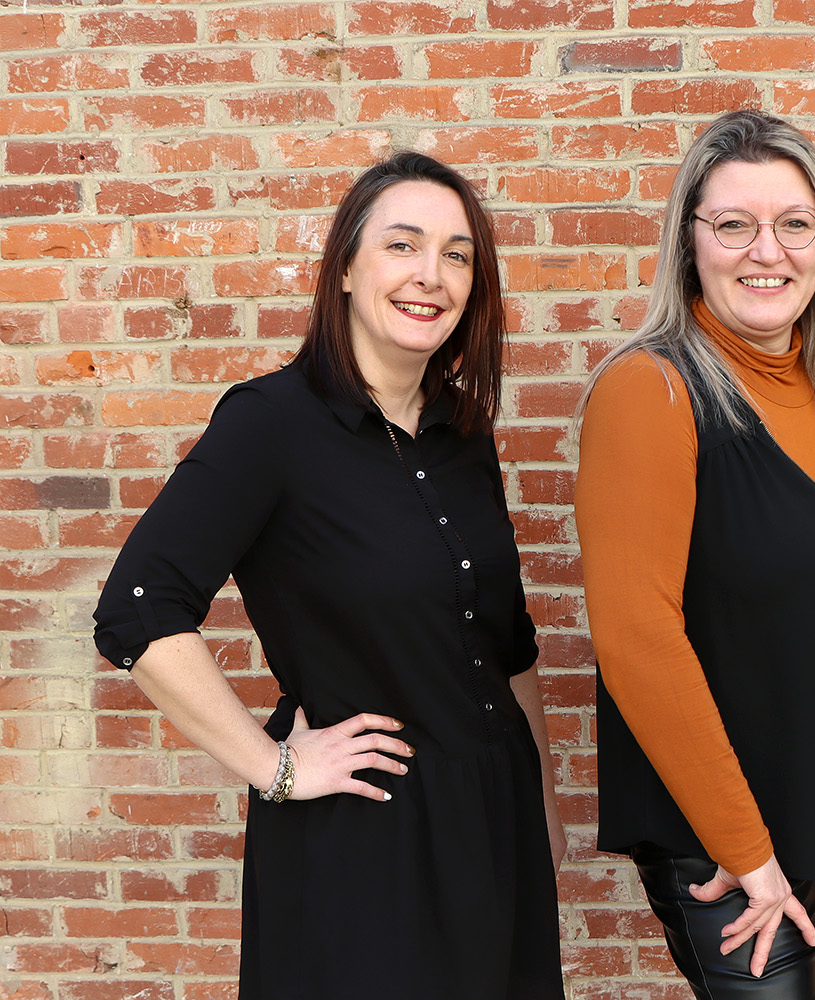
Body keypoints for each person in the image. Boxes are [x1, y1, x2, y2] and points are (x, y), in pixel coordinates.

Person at [93, 152, 565, 999]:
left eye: (458, 255)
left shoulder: (462, 430)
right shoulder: (270, 425)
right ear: (346, 267)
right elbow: (138, 609)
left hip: (493, 820)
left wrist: (543, 807)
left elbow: (507, 643)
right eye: (403, 245)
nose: (432, 276)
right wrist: (274, 765)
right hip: (366, 839)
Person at [574, 109, 815, 999]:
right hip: (728, 846)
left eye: (793, 224)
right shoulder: (650, 389)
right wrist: (751, 854)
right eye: (734, 225)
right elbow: (635, 638)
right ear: (690, 243)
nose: (766, 252)